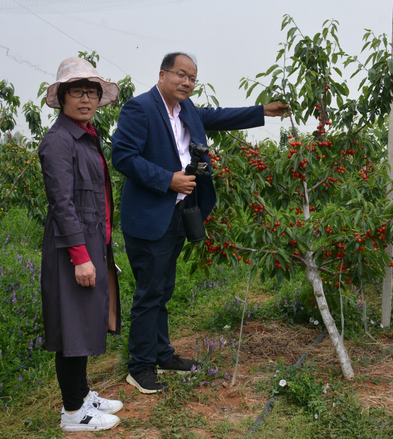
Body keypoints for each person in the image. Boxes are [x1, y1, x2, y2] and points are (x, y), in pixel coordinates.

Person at [111, 52, 289, 394]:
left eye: (192, 78)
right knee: (149, 292)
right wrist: (168, 180)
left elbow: (217, 116)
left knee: (163, 290)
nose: (187, 82)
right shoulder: (140, 108)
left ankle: (161, 354)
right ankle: (140, 366)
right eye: (181, 74)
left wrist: (262, 111)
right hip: (150, 216)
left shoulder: (187, 110)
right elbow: (123, 156)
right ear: (162, 74)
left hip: (177, 214)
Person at [39, 57, 123, 432]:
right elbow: (62, 203)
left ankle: (82, 392)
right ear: (62, 97)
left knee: (85, 321)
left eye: (91, 91)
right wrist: (80, 257)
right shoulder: (58, 141)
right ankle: (73, 413)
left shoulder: (85, 134)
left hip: (91, 242)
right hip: (72, 248)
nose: (86, 99)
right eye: (77, 91)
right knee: (72, 328)